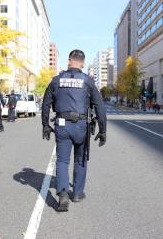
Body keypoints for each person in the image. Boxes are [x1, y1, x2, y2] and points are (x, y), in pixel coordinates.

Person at [41, 49, 107, 212]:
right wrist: (102, 130)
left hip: (62, 125)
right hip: (81, 126)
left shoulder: (56, 80)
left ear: (69, 61)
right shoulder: (88, 81)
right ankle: (77, 193)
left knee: (63, 160)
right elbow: (100, 107)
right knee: (80, 159)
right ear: (82, 63)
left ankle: (63, 193)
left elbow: (46, 103)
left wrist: (45, 125)